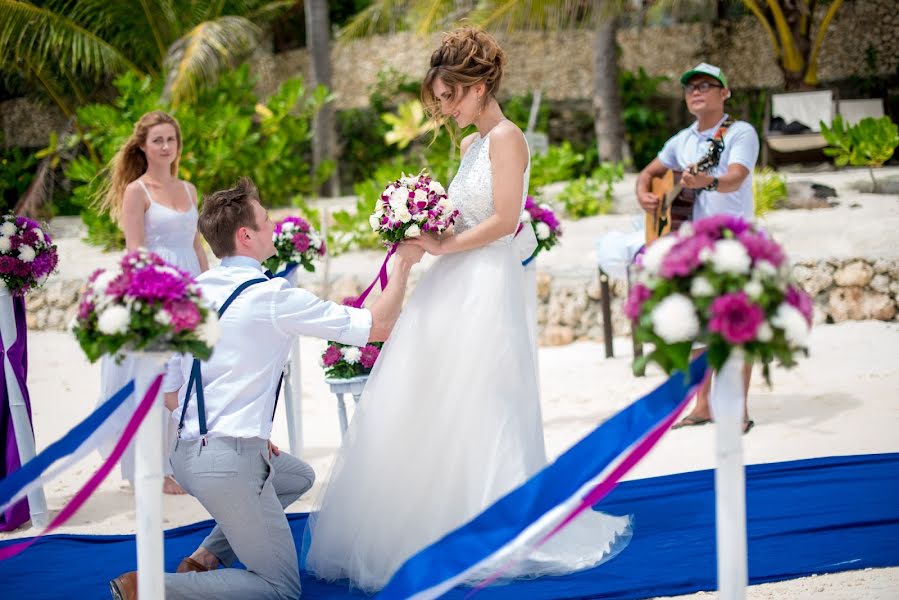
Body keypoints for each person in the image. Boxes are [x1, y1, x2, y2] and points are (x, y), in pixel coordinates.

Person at [302, 27, 631, 593]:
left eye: (450, 96)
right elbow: (465, 216)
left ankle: (489, 518)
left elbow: (505, 221)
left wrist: (440, 245)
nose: (444, 109)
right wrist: (419, 224)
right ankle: (432, 512)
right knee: (432, 391)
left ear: (479, 87)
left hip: (484, 281)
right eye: (438, 99)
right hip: (451, 278)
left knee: (483, 394)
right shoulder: (469, 146)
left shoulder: (507, 138)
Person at [108, 177, 423, 600]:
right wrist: (403, 264)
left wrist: (244, 425)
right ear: (246, 235)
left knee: (296, 476)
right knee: (280, 589)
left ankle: (204, 558)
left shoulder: (192, 292)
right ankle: (148, 588)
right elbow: (377, 326)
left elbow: (170, 390)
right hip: (225, 462)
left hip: (184, 455)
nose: (274, 226)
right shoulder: (272, 296)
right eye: (266, 220)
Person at [635, 63, 759, 433]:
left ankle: (737, 409)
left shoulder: (740, 133)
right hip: (691, 245)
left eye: (707, 85)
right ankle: (702, 406)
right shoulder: (681, 140)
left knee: (738, 324)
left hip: (733, 242)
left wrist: (707, 180)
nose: (697, 91)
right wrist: (643, 193)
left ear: (725, 93)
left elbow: (735, 178)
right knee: (695, 325)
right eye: (691, 87)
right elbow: (648, 174)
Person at [98, 110, 209, 494]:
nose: (165, 147)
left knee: (193, 370)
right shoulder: (137, 191)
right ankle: (156, 467)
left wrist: (210, 288)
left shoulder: (190, 190)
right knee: (161, 376)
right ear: (143, 146)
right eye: (157, 140)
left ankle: (188, 459)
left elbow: (196, 244)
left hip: (193, 286)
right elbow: (135, 253)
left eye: (171, 140)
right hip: (156, 291)